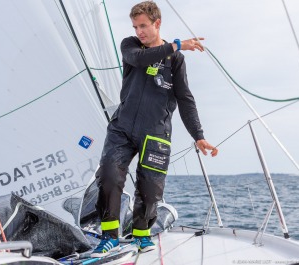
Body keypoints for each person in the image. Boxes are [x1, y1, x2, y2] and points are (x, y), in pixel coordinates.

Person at [91, 1, 218, 258]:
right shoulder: (131, 46)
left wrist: (199, 136)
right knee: (108, 175)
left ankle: (141, 234)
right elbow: (138, 59)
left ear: (157, 23)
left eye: (143, 26)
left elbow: (185, 99)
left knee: (150, 189)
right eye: (136, 26)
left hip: (155, 132)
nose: (139, 31)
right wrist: (176, 44)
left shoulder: (176, 60)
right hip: (122, 128)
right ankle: (109, 236)